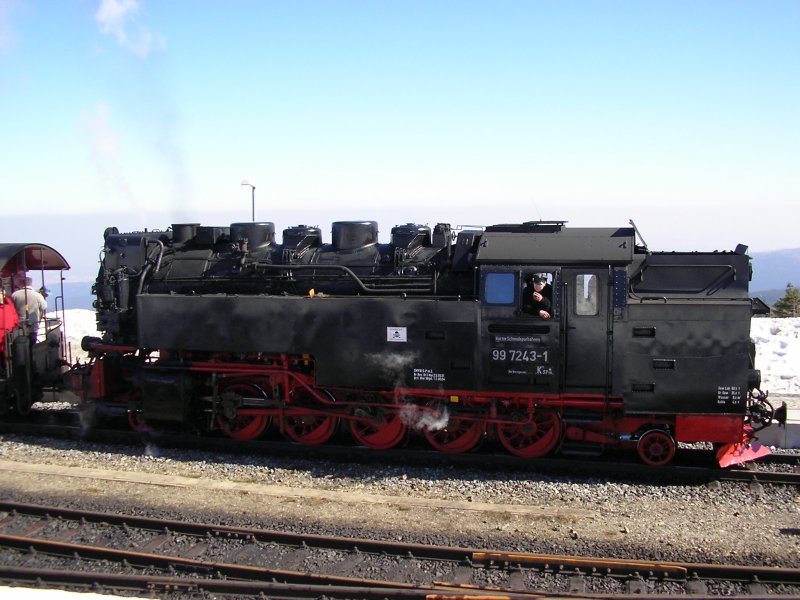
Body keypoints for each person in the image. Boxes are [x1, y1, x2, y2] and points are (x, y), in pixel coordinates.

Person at [11, 276, 47, 342]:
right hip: (33, 324)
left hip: (19, 325)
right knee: (32, 343)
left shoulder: (14, 295)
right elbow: (43, 307)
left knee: (20, 344)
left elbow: (11, 309)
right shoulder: (38, 296)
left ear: (22, 283)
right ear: (31, 284)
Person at [0, 287, 20, 364]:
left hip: (9, 333)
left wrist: (15, 325)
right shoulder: (8, 303)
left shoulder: (8, 303)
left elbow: (14, 316)